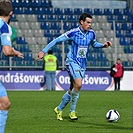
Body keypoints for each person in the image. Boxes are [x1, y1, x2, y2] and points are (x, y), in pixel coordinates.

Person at [36, 12, 112, 121]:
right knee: (79, 84)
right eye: (87, 22)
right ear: (81, 22)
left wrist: (103, 45)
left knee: (73, 88)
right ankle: (72, 111)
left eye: (91, 23)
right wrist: (43, 51)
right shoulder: (74, 32)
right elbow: (57, 40)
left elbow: (94, 44)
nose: (90, 25)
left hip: (82, 65)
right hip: (71, 62)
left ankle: (59, 108)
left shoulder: (91, 33)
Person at [0, 1, 24, 133]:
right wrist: (15, 52)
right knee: (4, 104)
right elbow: (7, 51)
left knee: (4, 103)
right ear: (11, 13)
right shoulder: (4, 27)